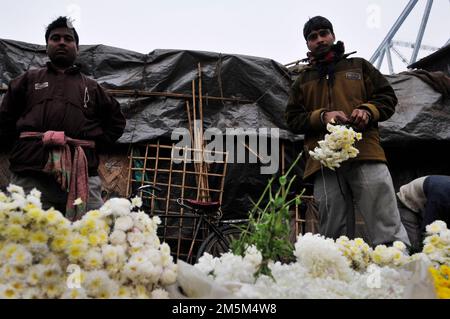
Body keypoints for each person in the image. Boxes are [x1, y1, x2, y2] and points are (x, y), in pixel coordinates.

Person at [285, 16, 410, 246]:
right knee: (333, 231)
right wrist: (322, 116)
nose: (320, 40)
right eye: (313, 37)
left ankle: (396, 267)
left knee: (384, 219)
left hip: (365, 153)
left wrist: (367, 110)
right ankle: (338, 276)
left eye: (324, 33)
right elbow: (292, 119)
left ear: (332, 35)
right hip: (325, 163)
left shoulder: (359, 66)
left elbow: (387, 98)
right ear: (308, 45)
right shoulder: (302, 80)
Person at [0, 16, 126, 220]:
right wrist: (25, 147)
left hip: (81, 175)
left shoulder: (92, 87)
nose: (61, 42)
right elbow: (4, 120)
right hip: (31, 175)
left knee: (87, 235)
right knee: (26, 238)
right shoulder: (28, 80)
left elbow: (117, 122)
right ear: (47, 46)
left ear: (77, 47)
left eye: (68, 39)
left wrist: (89, 146)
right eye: (55, 38)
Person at [397, 175, 450, 250]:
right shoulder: (441, 196)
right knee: (416, 246)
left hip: (427, 200)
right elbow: (428, 229)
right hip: (407, 202)